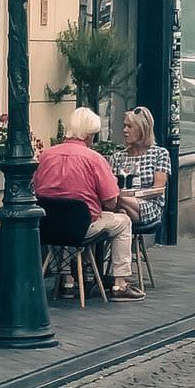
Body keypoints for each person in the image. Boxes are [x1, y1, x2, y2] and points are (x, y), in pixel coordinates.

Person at [33, 107, 145, 302]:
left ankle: (67, 282)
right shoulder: (94, 159)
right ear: (89, 136)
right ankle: (120, 283)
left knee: (64, 217)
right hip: (83, 227)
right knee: (123, 222)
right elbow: (110, 201)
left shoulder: (46, 156)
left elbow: (34, 189)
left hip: (48, 227)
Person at [110, 106, 170, 227]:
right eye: (124, 126)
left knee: (116, 198)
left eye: (129, 126)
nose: (125, 130)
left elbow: (158, 189)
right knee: (116, 206)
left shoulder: (160, 154)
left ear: (143, 129)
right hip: (120, 204)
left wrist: (131, 196)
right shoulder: (117, 157)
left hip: (149, 204)